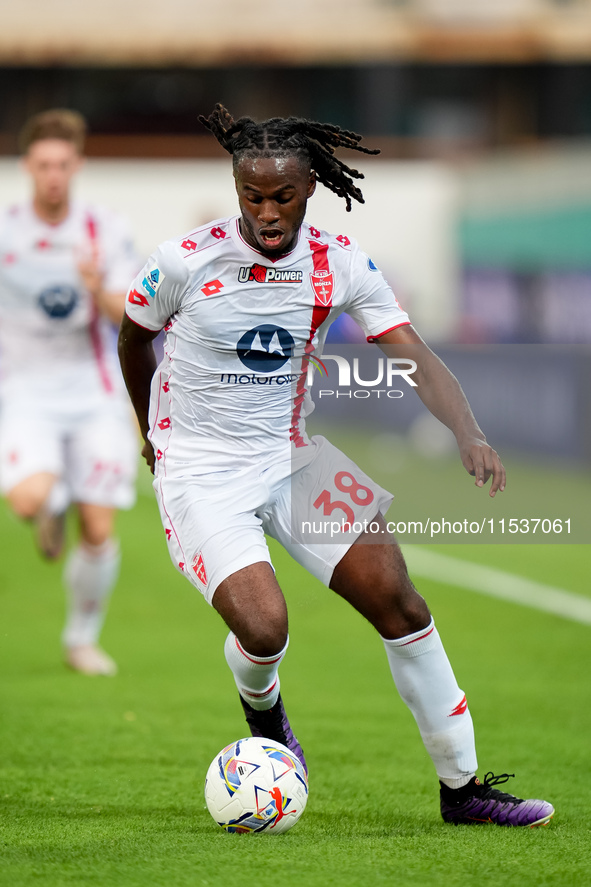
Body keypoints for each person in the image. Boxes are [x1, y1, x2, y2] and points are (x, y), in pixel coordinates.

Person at [118, 104, 554, 826]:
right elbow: (132, 342)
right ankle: (266, 720)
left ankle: (464, 789)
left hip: (291, 456)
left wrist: (466, 430)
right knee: (264, 629)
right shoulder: (183, 262)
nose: (265, 211)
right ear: (235, 188)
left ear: (309, 186)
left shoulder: (338, 263)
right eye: (251, 196)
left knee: (399, 600)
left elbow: (412, 352)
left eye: (280, 196)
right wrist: (150, 434)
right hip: (198, 469)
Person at [0, 109, 139, 675]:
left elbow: (129, 317)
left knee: (100, 527)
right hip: (25, 389)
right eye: (42, 165)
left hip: (93, 390)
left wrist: (96, 286)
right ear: (28, 167)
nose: (53, 175)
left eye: (62, 164)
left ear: (76, 165)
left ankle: (81, 639)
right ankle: (52, 500)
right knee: (29, 500)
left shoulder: (104, 231)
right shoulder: (6, 230)